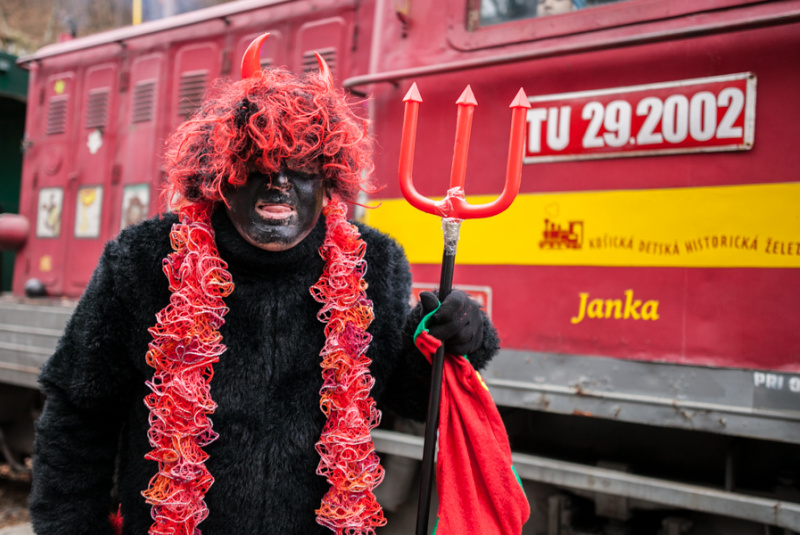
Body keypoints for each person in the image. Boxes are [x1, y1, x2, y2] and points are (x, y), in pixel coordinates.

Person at [28, 35, 499, 535]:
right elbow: (78, 414)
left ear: (329, 179)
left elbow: (404, 398)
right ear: (218, 174)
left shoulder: (372, 264)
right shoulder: (145, 259)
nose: (279, 183)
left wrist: (452, 338)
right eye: (257, 164)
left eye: (302, 168)